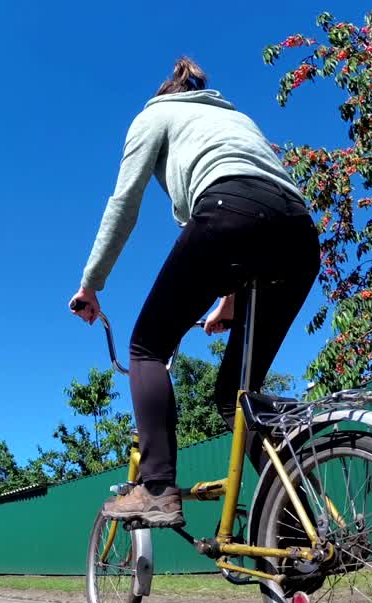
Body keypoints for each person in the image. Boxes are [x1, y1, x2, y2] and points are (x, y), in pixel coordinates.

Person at [69, 57, 320, 528]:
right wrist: (229, 301)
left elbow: (125, 203)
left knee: (146, 348)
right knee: (235, 396)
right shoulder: (235, 118)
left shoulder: (153, 115)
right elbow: (257, 214)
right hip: (299, 234)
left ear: (165, 95)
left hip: (229, 212)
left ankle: (157, 487)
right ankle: (299, 524)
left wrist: (91, 284)